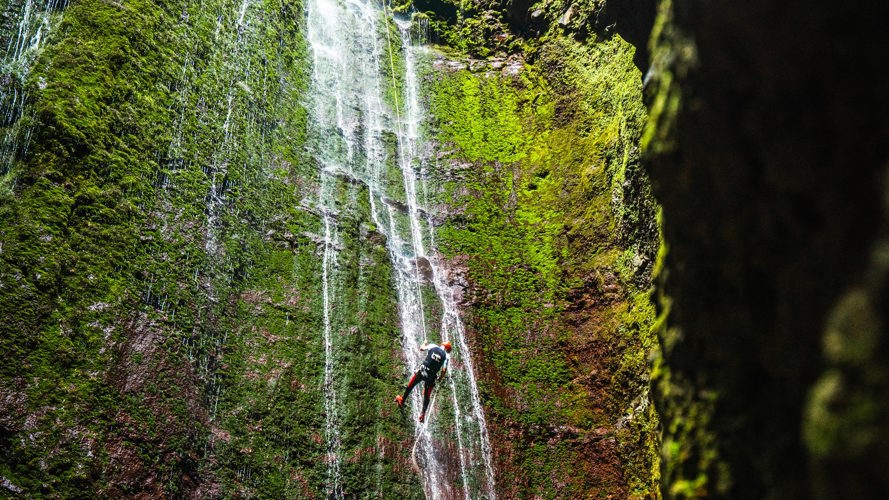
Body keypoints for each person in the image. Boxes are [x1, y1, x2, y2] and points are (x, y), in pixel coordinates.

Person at [395, 341, 452, 423]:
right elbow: (444, 370)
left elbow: (421, 348)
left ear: (442, 344)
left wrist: (424, 343)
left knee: (411, 384)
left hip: (423, 370)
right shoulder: (446, 356)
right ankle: (422, 414)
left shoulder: (433, 346)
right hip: (431, 376)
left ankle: (402, 400)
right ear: (446, 348)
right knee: (427, 394)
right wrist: (440, 378)